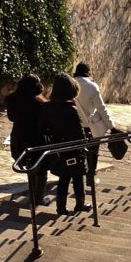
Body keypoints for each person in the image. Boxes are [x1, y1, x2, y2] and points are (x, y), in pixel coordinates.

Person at [38, 73, 90, 215]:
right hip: (73, 148)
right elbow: (79, 133)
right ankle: (80, 204)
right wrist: (85, 145)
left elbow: (43, 128)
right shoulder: (71, 109)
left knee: (64, 178)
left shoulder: (48, 107)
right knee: (78, 177)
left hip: (58, 149)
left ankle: (61, 208)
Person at [5, 74, 48, 205]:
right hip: (36, 137)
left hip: (19, 137)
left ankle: (33, 197)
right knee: (40, 168)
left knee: (30, 167)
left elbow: (11, 118)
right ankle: (38, 199)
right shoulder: (39, 104)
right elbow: (44, 123)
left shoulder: (11, 99)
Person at [73, 62, 114, 186]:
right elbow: (101, 108)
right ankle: (90, 178)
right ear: (88, 72)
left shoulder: (70, 83)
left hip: (74, 123)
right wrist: (111, 126)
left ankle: (76, 179)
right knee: (92, 152)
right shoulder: (92, 86)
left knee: (76, 151)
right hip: (89, 125)